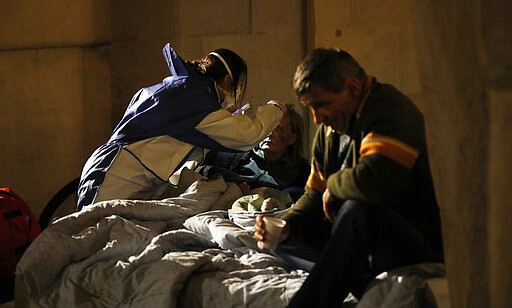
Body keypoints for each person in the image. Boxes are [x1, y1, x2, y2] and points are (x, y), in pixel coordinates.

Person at [254, 48, 444, 306]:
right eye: (310, 109)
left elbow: (376, 184)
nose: (317, 119)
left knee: (359, 210)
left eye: (321, 105)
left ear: (352, 89)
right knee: (283, 240)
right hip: (358, 244)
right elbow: (313, 195)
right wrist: (287, 226)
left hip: (410, 246)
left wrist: (334, 186)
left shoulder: (389, 109)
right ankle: (357, 277)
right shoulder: (329, 129)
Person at [77, 43, 286, 211]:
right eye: (237, 87)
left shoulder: (179, 89)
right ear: (228, 79)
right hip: (116, 179)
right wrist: (275, 108)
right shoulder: (194, 99)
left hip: (114, 171)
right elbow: (247, 135)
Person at [198, 104, 309, 200]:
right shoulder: (239, 151)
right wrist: (236, 181)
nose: (270, 134)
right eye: (269, 127)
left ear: (292, 138)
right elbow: (201, 168)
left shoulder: (301, 171)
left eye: (279, 129)